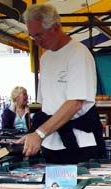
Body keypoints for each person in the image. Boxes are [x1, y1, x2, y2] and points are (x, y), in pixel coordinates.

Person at [18, 4, 106, 164]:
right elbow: (46, 106)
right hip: (51, 140)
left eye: (40, 35)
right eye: (33, 37)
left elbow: (75, 103)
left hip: (79, 141)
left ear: (56, 27)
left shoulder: (78, 53)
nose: (37, 41)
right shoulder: (45, 59)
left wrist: (39, 133)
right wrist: (33, 134)